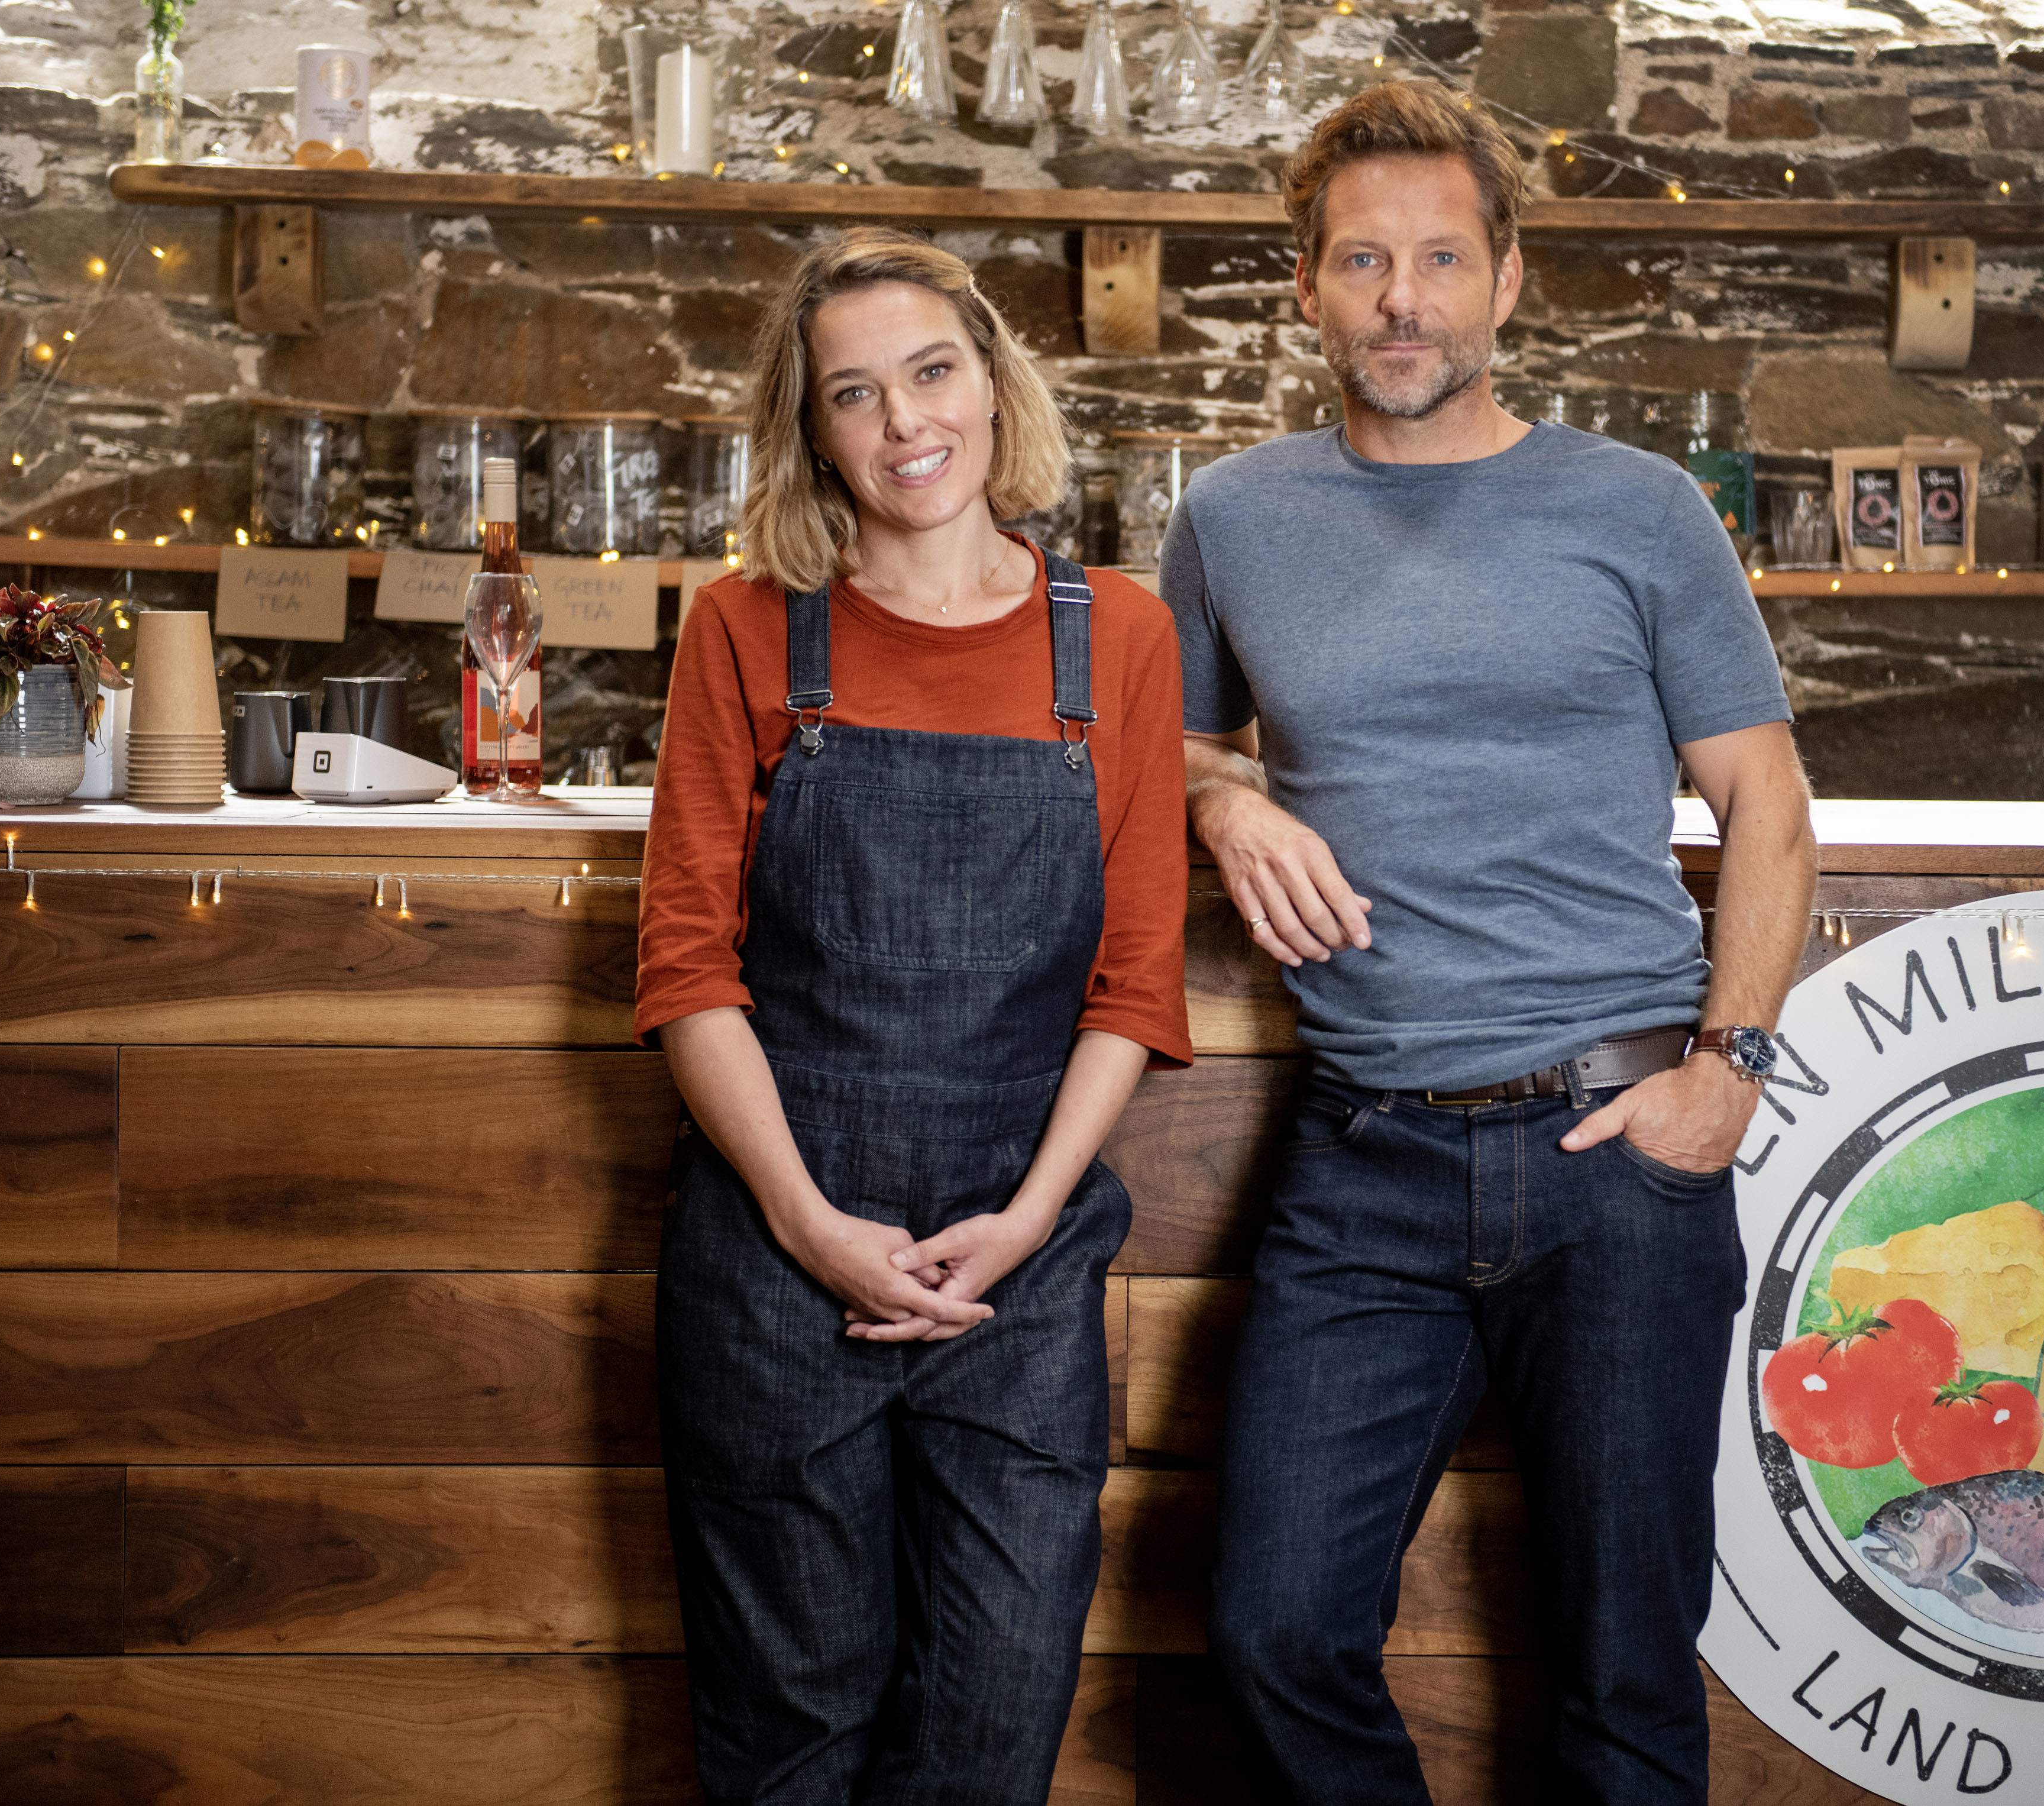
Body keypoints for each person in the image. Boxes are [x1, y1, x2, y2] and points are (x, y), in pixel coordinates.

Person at [1161, 83, 1819, 1804]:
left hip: (1617, 1151)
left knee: (1620, 1674)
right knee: (1272, 1631)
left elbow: (1767, 804)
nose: (1402, 299)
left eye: (1439, 259)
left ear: (1506, 282)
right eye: (1362, 261)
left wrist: (1725, 1076)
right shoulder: (1229, 516)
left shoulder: (1641, 509)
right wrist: (1224, 802)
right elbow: (1152, 738)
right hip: (1361, 1153)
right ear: (1304, 287)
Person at [637, 227, 1192, 1805]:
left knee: (992, 1728)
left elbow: (1134, 979)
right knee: (788, 1733)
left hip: (1017, 1261)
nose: (905, 426)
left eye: (932, 372)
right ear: (810, 431)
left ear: (996, 382)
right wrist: (810, 1224)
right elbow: (688, 967)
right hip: (772, 1256)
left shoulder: (1122, 638)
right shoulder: (741, 629)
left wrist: (1020, 1220)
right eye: (854, 395)